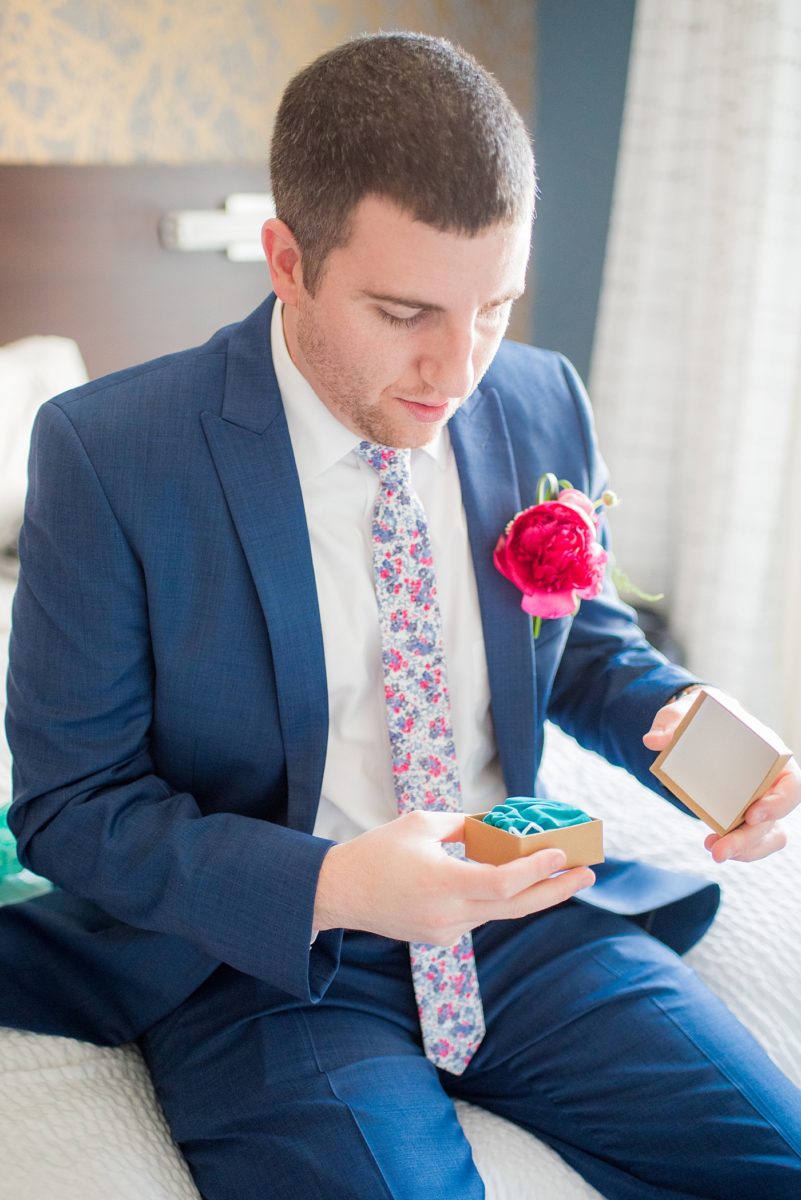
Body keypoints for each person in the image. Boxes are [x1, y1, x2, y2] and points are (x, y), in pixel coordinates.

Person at [2, 31, 800, 1200]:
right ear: (286, 259)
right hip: (264, 961)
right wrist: (338, 888)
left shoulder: (539, 398)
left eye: (494, 308)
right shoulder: (111, 453)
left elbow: (579, 653)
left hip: (524, 911)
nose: (457, 369)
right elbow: (73, 808)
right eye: (403, 312)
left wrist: (687, 721)